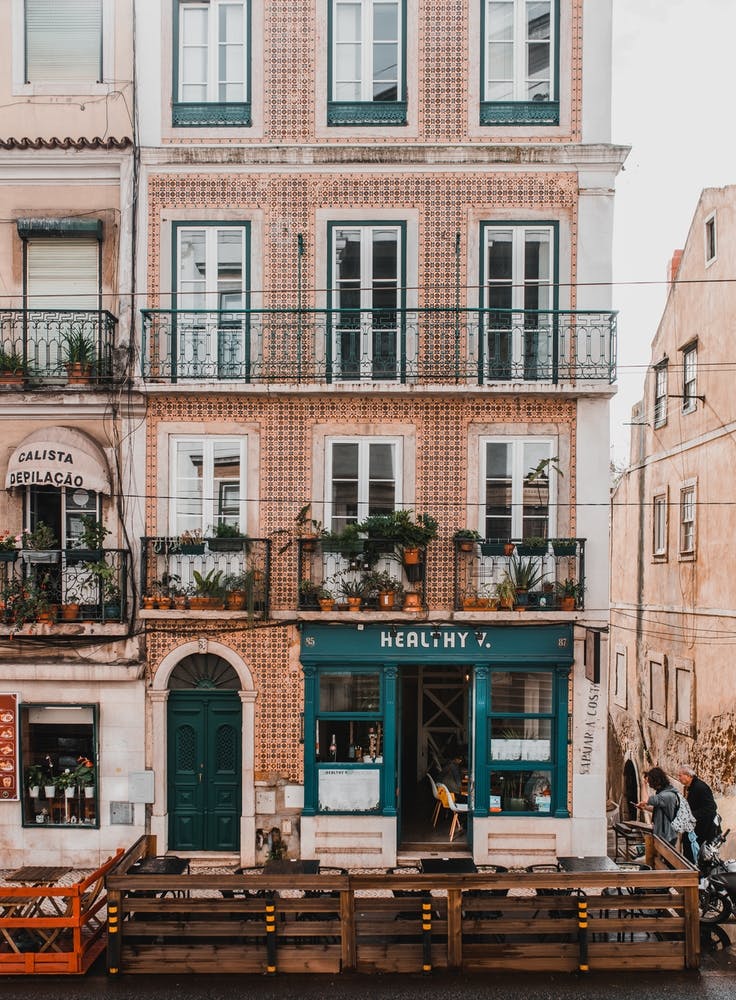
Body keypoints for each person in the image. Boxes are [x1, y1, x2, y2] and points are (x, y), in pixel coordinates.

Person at [678, 765, 718, 863]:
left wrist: (691, 815)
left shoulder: (700, 787)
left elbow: (711, 808)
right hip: (695, 830)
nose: (679, 778)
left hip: (703, 831)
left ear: (688, 776)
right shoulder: (691, 787)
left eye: (680, 775)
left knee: (697, 858)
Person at [636, 766, 678, 846]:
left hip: (666, 836)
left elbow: (645, 800)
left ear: (655, 781)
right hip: (663, 835)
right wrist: (645, 807)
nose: (649, 785)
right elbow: (659, 809)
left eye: (649, 782)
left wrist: (643, 784)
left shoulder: (666, 795)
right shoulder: (664, 792)